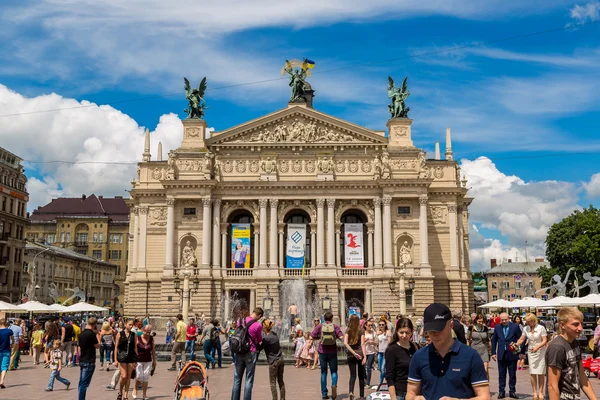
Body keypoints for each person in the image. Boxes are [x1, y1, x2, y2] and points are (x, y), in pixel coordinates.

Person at [407, 303, 490, 400]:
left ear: (451, 324)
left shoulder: (470, 355)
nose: (434, 334)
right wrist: (414, 398)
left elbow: (485, 396)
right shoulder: (419, 356)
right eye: (430, 330)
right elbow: (411, 393)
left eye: (439, 329)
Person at [546, 307, 598, 400]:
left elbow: (582, 376)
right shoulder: (557, 347)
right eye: (575, 324)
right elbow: (552, 385)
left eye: (581, 323)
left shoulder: (575, 342)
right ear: (562, 325)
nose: (580, 328)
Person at [231, 307, 264, 400]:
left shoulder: (240, 321)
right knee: (249, 379)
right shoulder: (257, 325)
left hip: (239, 351)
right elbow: (259, 340)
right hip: (251, 352)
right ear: (259, 315)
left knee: (237, 378)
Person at [311, 311, 344, 400]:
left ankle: (324, 394)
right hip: (332, 352)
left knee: (323, 372)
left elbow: (311, 336)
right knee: (334, 371)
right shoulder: (335, 326)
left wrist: (319, 337)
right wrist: (336, 337)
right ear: (332, 318)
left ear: (324, 319)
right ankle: (333, 385)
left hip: (322, 351)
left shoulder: (320, 326)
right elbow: (341, 337)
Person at [385, 317, 418, 400]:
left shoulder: (416, 347)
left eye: (407, 333)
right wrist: (393, 398)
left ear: (411, 332)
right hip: (400, 393)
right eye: (401, 332)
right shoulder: (392, 350)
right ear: (397, 332)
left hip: (415, 392)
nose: (404, 336)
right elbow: (389, 376)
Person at [516, 313, 547, 400]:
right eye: (527, 322)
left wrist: (537, 346)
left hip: (540, 351)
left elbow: (544, 340)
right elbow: (522, 338)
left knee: (541, 372)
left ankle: (540, 392)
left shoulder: (541, 328)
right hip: (531, 351)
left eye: (529, 321)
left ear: (534, 321)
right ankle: (534, 392)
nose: (528, 323)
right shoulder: (526, 328)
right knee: (532, 372)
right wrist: (516, 344)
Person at [491, 312, 522, 399]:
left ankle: (512, 391)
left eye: (505, 320)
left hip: (512, 354)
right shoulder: (497, 327)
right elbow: (494, 341)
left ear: (509, 319)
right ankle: (501, 391)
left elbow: (520, 338)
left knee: (512, 374)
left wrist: (520, 351)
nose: (504, 321)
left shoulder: (515, 327)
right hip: (501, 354)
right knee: (501, 374)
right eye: (502, 320)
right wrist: (493, 353)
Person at [260, 319, 285, 400]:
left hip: (273, 361)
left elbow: (259, 348)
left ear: (264, 328)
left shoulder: (266, 338)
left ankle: (275, 399)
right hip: (281, 359)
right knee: (280, 381)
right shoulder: (274, 334)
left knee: (272, 383)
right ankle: (283, 398)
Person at [115, 318, 138, 400]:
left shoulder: (134, 335)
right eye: (129, 324)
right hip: (122, 356)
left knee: (128, 377)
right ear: (125, 325)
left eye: (132, 325)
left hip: (131, 357)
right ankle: (120, 391)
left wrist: (136, 359)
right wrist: (115, 359)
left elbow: (135, 347)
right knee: (124, 376)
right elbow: (116, 347)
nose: (131, 326)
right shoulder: (119, 334)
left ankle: (125, 394)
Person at [344, 314, 366, 400]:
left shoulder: (347, 330)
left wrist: (353, 353)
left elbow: (345, 343)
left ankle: (351, 391)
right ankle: (361, 396)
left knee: (352, 375)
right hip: (360, 354)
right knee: (361, 375)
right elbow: (363, 344)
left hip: (351, 356)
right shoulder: (361, 330)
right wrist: (364, 356)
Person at [132, 324, 156, 400]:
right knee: (139, 376)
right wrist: (134, 360)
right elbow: (134, 349)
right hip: (139, 360)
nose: (148, 334)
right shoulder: (138, 338)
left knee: (145, 377)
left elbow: (153, 350)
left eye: (149, 332)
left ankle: (144, 395)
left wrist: (154, 361)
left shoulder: (151, 339)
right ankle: (135, 389)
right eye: (146, 332)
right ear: (143, 331)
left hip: (148, 360)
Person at [78, 317, 100, 400]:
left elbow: (79, 348)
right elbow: (97, 346)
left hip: (82, 359)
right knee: (84, 384)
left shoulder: (81, 334)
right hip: (89, 360)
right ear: (95, 325)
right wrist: (98, 334)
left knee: (81, 382)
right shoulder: (91, 334)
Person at [376, 318, 392, 389]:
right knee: (380, 368)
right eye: (380, 325)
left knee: (383, 368)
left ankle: (380, 383)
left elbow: (389, 342)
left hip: (385, 352)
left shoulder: (388, 332)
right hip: (379, 352)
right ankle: (388, 379)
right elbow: (376, 342)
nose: (381, 326)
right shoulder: (377, 332)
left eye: (382, 325)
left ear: (385, 325)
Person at [363, 318, 378, 390]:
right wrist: (365, 341)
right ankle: (365, 380)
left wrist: (372, 342)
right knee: (363, 368)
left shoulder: (373, 332)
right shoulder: (363, 333)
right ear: (365, 326)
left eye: (371, 325)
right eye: (369, 325)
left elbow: (377, 342)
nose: (370, 327)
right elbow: (360, 343)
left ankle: (368, 383)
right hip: (364, 352)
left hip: (371, 352)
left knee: (369, 367)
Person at [0, 318, 14, 389]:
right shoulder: (9, 331)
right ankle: (2, 381)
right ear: (6, 324)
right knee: (4, 366)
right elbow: (13, 340)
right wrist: (12, 344)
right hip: (6, 351)